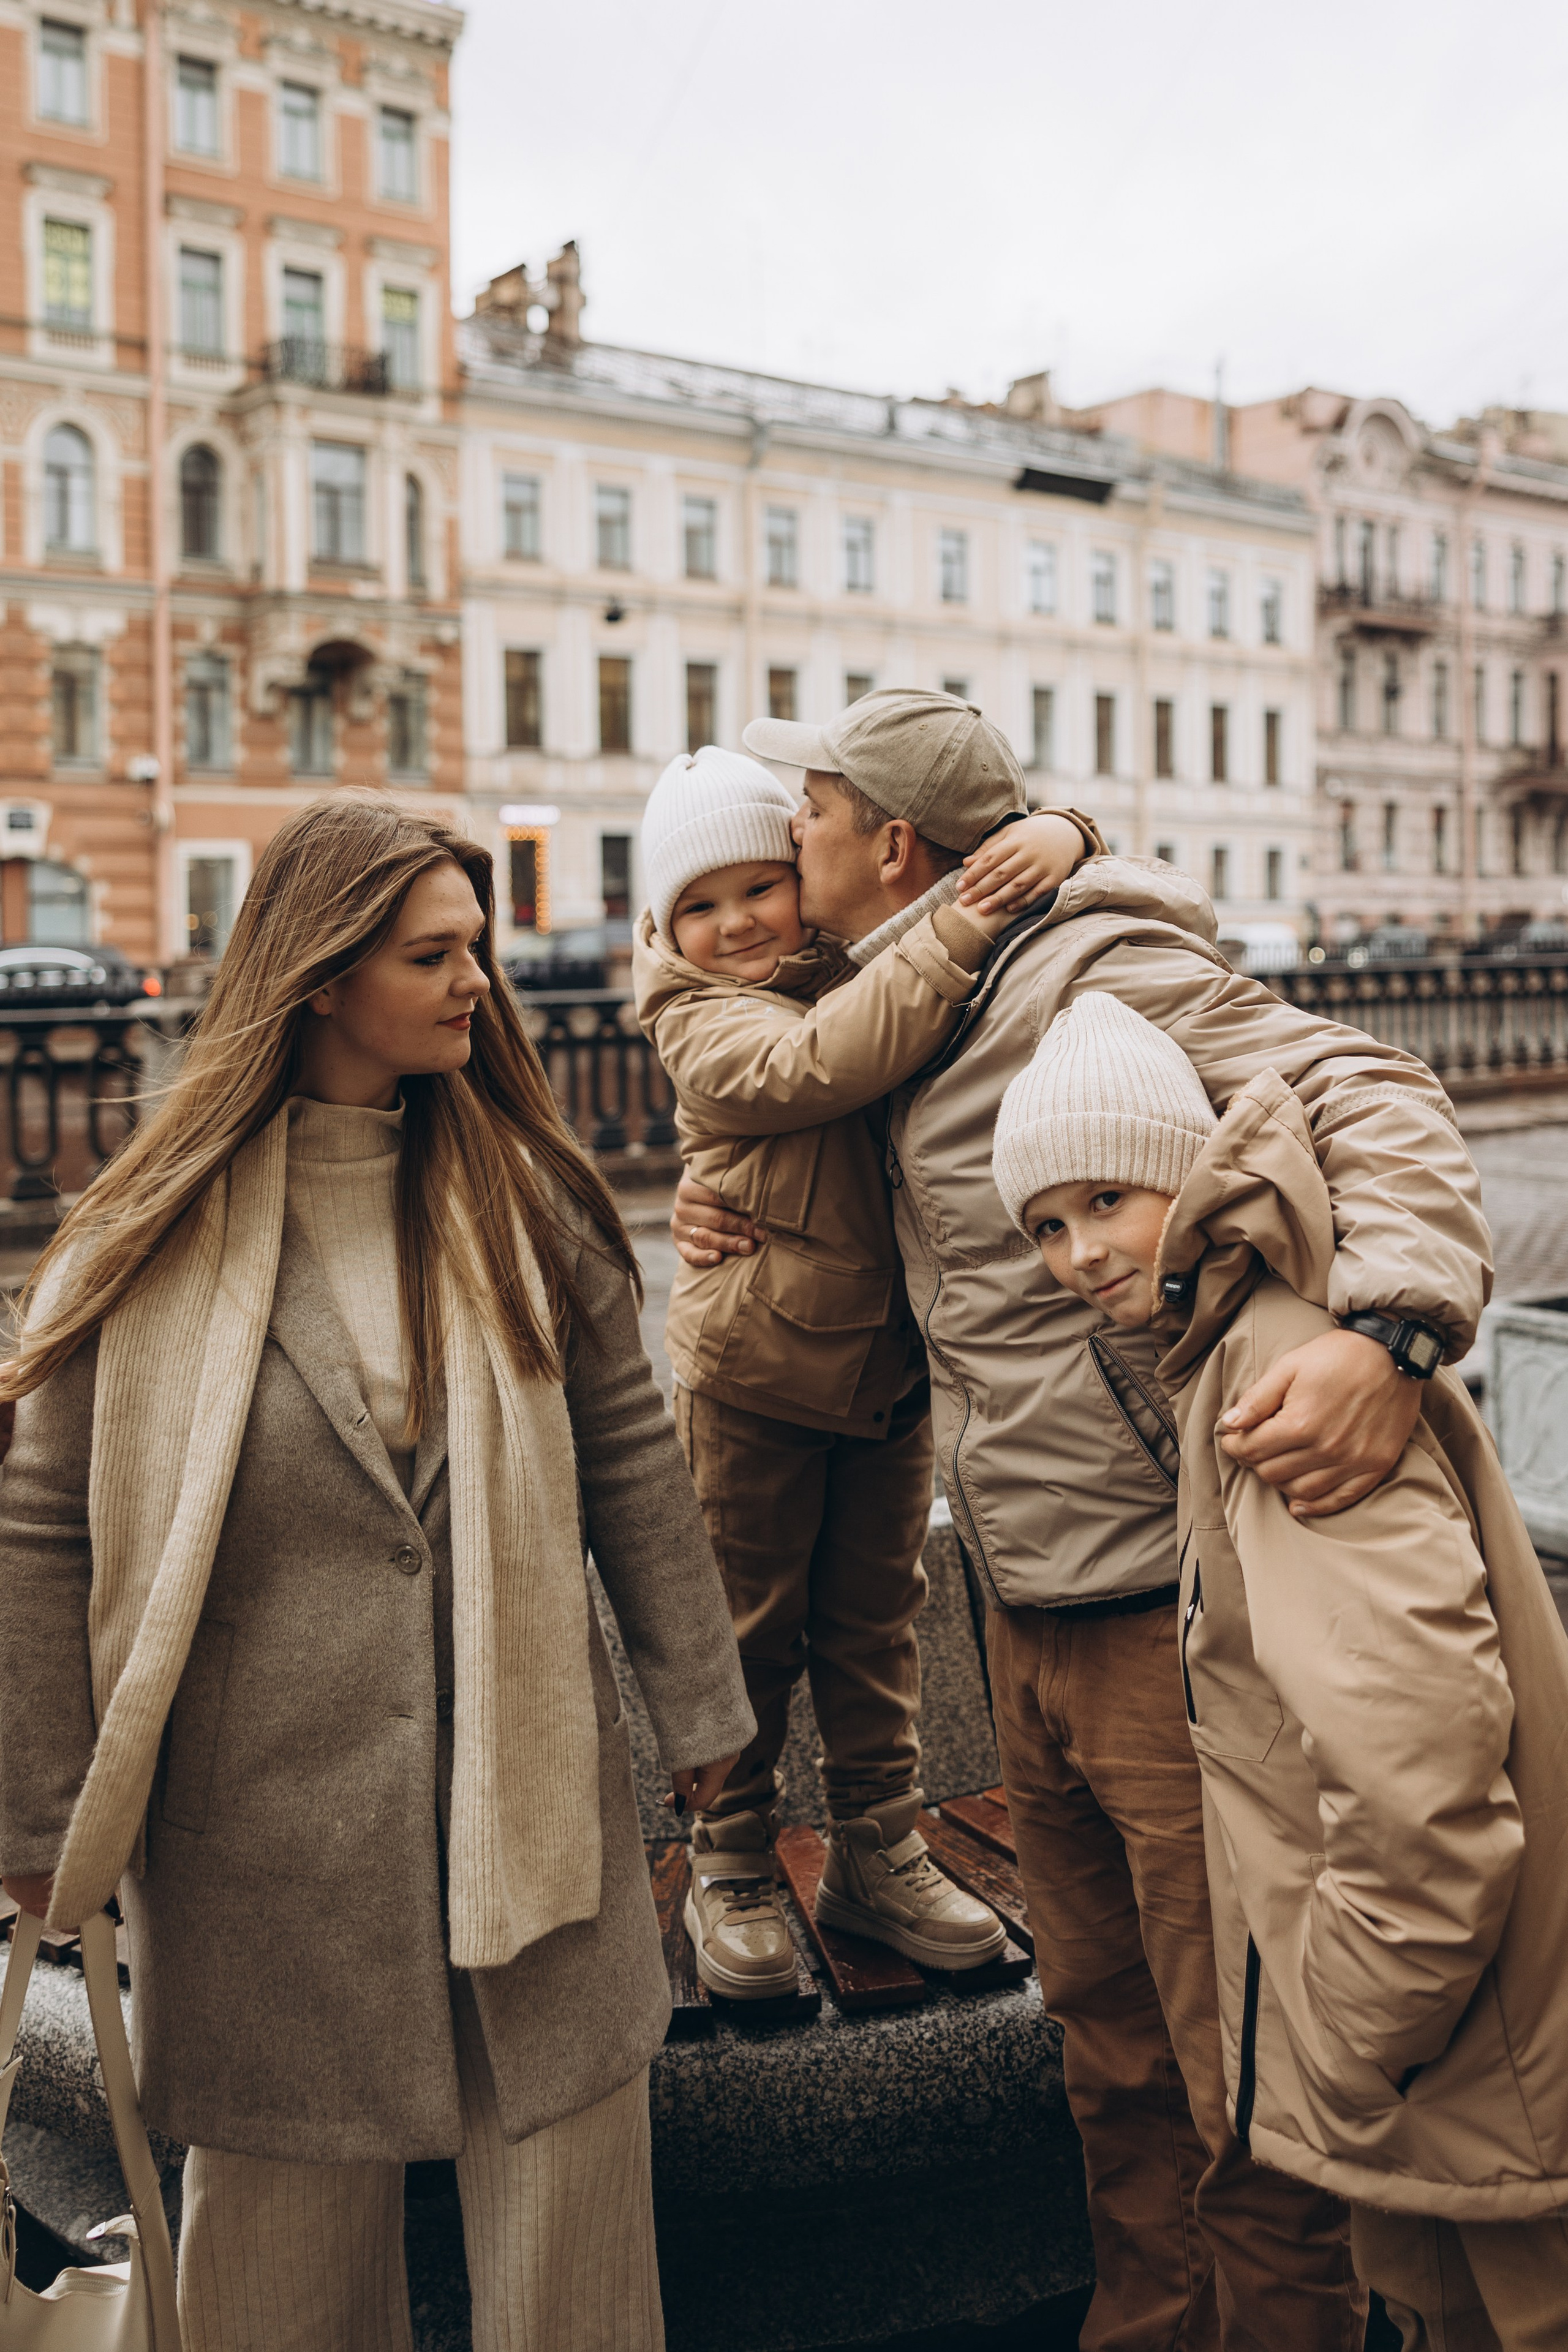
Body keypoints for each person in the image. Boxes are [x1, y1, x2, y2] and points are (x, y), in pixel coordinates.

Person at [674, 685, 1494, 2351]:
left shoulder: (1093, 977)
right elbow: (821, 1131)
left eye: (810, 821)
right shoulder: (919, 991)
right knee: (1109, 2057)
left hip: (1163, 1628)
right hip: (1024, 1608)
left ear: (891, 844)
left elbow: (1371, 1086)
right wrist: (725, 1201)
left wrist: (1390, 1332)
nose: (786, 850)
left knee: (1243, 2085)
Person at [0, 796, 756, 2352]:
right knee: (276, 2276)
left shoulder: (533, 1201)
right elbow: (42, 1528)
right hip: (264, 1838)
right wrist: (35, 1812)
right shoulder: (143, 1231)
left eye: (476, 946)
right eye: (435, 954)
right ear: (322, 973)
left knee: (575, 2252)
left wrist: (701, 1710)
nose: (480, 982)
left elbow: (630, 1465)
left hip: (534, 1799)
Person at [992, 989, 1568, 2352]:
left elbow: (1416, 1760)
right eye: (1044, 1226)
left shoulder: (1270, 1375)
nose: (1076, 1254)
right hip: (1453, 2041)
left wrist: (1349, 2025)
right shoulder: (1262, 1327)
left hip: (1448, 2049)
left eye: (1104, 1201)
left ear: (1188, 1172)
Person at [635, 743, 1099, 1992]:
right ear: (660, 926)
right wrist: (961, 922)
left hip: (883, 1372)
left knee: (872, 1626)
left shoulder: (858, 962)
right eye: (699, 905)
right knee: (746, 1632)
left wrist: (1065, 837)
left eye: (757, 888)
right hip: (755, 1380)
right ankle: (727, 1861)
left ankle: (875, 1850)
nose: (735, 923)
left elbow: (946, 884)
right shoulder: (694, 1013)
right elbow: (815, 1064)